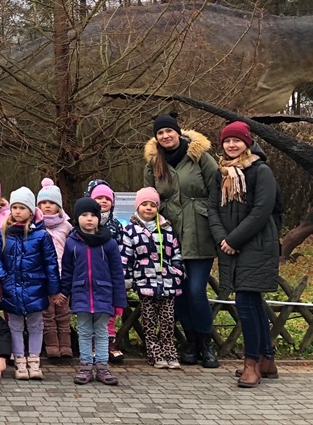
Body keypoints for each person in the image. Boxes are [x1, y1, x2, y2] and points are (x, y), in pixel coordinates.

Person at [142, 112, 220, 368]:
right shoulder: (153, 163)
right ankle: (190, 342)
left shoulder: (200, 157)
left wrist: (214, 222)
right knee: (179, 293)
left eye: (169, 131)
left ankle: (205, 343)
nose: (165, 136)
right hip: (169, 237)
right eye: (160, 133)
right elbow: (148, 200)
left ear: (178, 131)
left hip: (199, 233)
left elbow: (217, 191)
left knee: (196, 291)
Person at [208, 120, 280, 388]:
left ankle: (252, 364)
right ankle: (266, 359)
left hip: (257, 244)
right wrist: (222, 239)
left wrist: (234, 239)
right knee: (252, 302)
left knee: (247, 303)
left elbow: (262, 210)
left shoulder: (261, 171)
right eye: (227, 140)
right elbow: (212, 208)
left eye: (236, 140)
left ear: (247, 143)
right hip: (230, 244)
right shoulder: (221, 173)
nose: (231, 145)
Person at [0, 186, 62, 381]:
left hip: (35, 286)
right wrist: (2, 276)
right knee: (15, 324)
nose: (17, 211)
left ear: (30, 211)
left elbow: (50, 263)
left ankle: (34, 359)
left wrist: (53, 289)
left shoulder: (41, 235)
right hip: (11, 285)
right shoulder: (3, 232)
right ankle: (19, 360)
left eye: (22, 208)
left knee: (36, 324)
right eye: (14, 207)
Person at [61, 197, 126, 385]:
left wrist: (119, 301)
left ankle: (103, 367)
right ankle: (85, 366)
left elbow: (117, 273)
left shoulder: (109, 243)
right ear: (76, 218)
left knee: (102, 331)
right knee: (84, 331)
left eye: (93, 215)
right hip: (81, 293)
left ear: (99, 218)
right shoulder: (71, 243)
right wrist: (63, 292)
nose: (89, 219)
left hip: (104, 294)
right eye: (84, 215)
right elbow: (67, 271)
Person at [120, 187, 184, 369]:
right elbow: (125, 257)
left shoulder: (167, 229)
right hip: (145, 281)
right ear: (137, 207)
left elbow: (176, 253)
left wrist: (178, 271)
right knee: (149, 319)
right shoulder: (130, 231)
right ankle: (154, 353)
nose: (148, 208)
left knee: (168, 320)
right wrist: (127, 279)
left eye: (152, 205)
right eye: (144, 204)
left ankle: (169, 350)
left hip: (167, 282)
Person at [85, 179, 125, 364]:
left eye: (107, 198)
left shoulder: (116, 225)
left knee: (108, 311)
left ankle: (109, 344)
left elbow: (123, 249)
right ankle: (92, 345)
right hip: (89, 274)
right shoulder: (84, 223)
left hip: (109, 275)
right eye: (99, 198)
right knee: (90, 310)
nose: (103, 201)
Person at [37, 178, 73, 358]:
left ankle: (65, 344)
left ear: (58, 205)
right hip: (43, 275)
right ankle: (51, 344)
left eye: (51, 203)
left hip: (62, 274)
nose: (47, 206)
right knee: (47, 312)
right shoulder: (36, 225)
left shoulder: (67, 226)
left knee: (63, 311)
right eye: (43, 203)